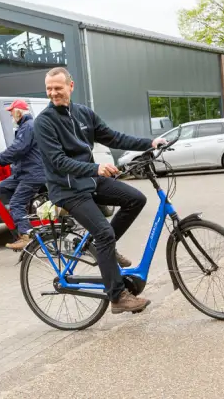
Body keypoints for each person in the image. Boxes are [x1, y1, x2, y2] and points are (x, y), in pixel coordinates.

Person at [34, 67, 165, 315]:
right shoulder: (44, 122)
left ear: (70, 87)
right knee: (104, 233)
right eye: (49, 89)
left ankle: (106, 248)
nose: (53, 93)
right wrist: (95, 168)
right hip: (67, 189)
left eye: (58, 88)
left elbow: (113, 138)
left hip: (89, 182)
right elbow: (58, 161)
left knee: (135, 199)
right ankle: (117, 297)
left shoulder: (83, 114)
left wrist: (149, 143)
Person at [0, 99, 47, 251]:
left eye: (12, 112)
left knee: (16, 203)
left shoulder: (28, 127)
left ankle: (26, 235)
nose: (11, 116)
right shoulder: (25, 126)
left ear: (18, 111)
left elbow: (18, 149)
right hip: (22, 174)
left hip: (31, 174)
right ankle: (24, 217)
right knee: (1, 189)